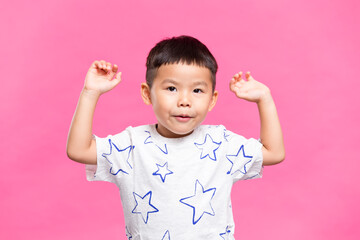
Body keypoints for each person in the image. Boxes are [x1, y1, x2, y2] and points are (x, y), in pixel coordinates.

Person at [66, 35, 285, 239]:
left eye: (197, 91)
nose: (184, 100)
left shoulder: (221, 143)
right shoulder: (133, 145)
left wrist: (264, 99)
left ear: (212, 99)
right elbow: (78, 150)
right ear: (147, 93)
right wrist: (90, 92)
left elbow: (273, 152)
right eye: (171, 88)